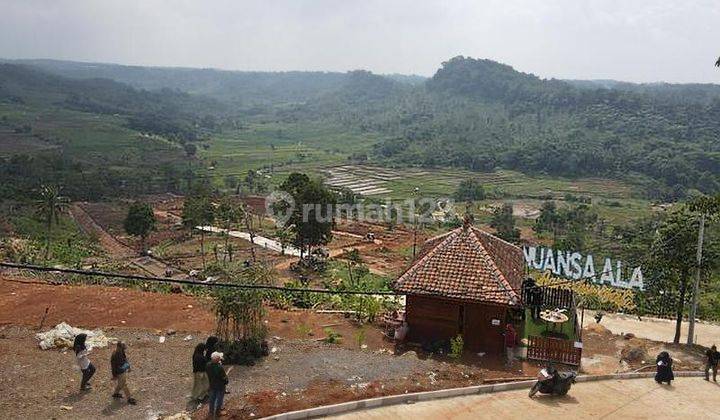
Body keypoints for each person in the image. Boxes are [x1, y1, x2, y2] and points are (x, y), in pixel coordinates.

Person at [206, 351, 228, 419]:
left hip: (212, 384)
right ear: (217, 359)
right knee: (219, 399)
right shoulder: (219, 367)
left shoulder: (208, 365)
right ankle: (217, 412)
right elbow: (224, 377)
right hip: (220, 386)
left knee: (212, 399)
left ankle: (211, 412)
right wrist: (226, 381)